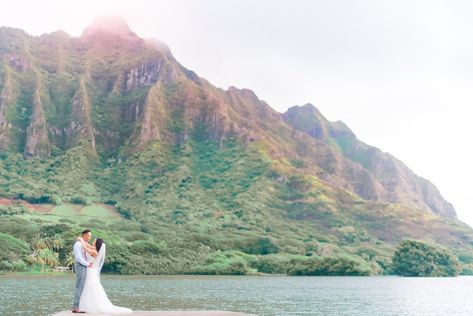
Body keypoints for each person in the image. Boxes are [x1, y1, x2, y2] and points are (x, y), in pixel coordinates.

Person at [77, 235, 132, 314]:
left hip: (91, 272)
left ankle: (89, 305)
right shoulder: (95, 249)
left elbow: (84, 247)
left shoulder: (94, 252)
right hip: (91, 271)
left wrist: (80, 240)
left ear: (96, 244)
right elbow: (86, 244)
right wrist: (83, 240)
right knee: (90, 288)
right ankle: (86, 305)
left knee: (89, 288)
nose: (92, 241)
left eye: (94, 241)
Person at [72, 229, 93, 313]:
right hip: (80, 265)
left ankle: (78, 306)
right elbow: (78, 258)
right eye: (89, 236)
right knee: (79, 286)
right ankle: (75, 307)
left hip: (84, 266)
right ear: (84, 235)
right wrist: (88, 264)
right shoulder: (78, 244)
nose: (90, 238)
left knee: (81, 286)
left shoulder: (83, 243)